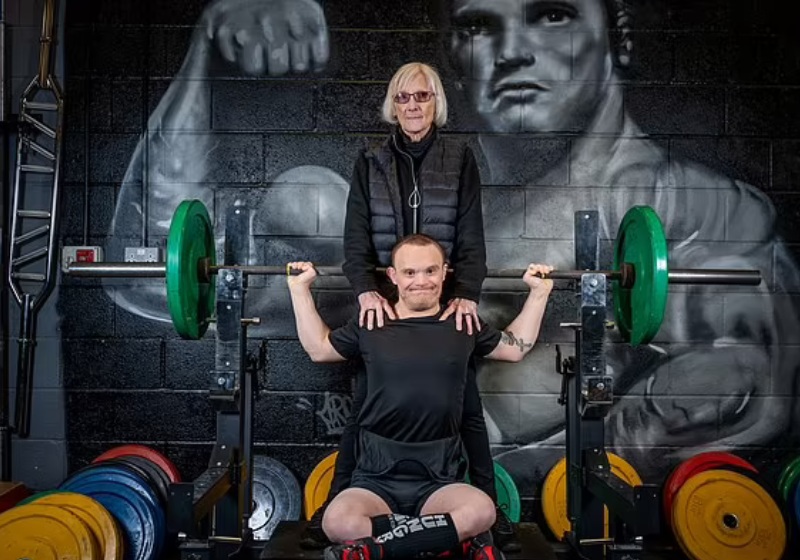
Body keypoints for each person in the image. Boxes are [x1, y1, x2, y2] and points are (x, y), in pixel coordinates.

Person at [434, 0, 800, 480]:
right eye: (479, 25)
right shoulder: (445, 211)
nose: (512, 52)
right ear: (453, 59)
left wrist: (508, 475)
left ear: (617, 37)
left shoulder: (693, 206)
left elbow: (742, 380)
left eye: (553, 15)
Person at [301, 61, 518, 552]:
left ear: (435, 102)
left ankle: (486, 507)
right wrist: (364, 291)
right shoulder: (370, 159)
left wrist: (467, 294)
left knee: (466, 412)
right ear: (392, 105)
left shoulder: (459, 157)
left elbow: (472, 238)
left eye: (421, 96)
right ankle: (342, 501)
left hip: (445, 303)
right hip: (386, 304)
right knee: (367, 410)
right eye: (403, 98)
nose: (413, 106)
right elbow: (355, 239)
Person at [286, 235, 554, 560]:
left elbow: (513, 349)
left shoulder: (462, 322)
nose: (421, 281)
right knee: (336, 522)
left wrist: (539, 293)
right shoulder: (373, 321)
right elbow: (319, 349)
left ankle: (377, 549)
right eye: (410, 273)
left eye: (430, 271)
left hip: (439, 480)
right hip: (375, 478)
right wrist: (299, 290)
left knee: (481, 511)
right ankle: (444, 540)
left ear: (445, 273)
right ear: (393, 276)